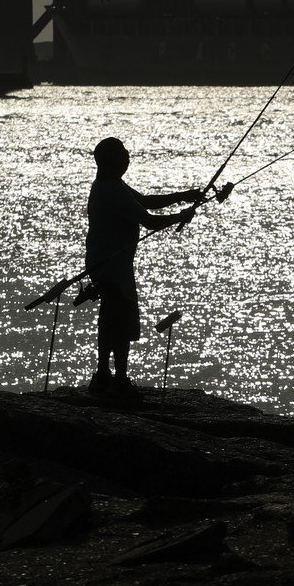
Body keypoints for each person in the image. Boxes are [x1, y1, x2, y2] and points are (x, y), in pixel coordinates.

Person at [84, 136, 202, 400]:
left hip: (103, 262)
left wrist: (184, 196)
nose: (128, 159)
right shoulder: (111, 189)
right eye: (123, 155)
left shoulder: (110, 184)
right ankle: (118, 379)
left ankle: (104, 375)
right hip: (112, 265)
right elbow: (148, 221)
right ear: (111, 161)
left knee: (109, 318)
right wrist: (179, 217)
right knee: (120, 319)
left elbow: (145, 201)